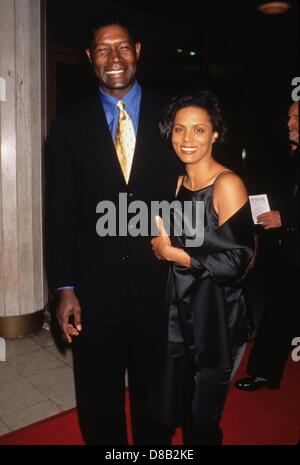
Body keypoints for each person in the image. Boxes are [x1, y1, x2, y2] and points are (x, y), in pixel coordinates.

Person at [47, 16, 180, 444]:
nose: (114, 58)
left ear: (137, 50)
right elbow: (61, 211)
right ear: (90, 58)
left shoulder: (176, 117)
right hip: (94, 288)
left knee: (156, 395)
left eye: (122, 47)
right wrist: (64, 287)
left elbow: (196, 193)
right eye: (103, 49)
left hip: (160, 284)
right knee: (98, 396)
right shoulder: (68, 127)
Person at [149, 91, 255, 444]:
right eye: (180, 129)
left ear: (214, 134)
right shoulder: (179, 184)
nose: (187, 139)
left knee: (202, 419)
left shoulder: (228, 184)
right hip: (181, 314)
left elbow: (239, 262)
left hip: (218, 320)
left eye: (198, 130)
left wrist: (174, 254)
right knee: (176, 406)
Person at [235, 100, 299, 391]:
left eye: (296, 117)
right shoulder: (289, 154)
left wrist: (286, 215)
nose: (289, 123)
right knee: (277, 309)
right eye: (289, 117)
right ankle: (265, 373)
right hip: (288, 250)